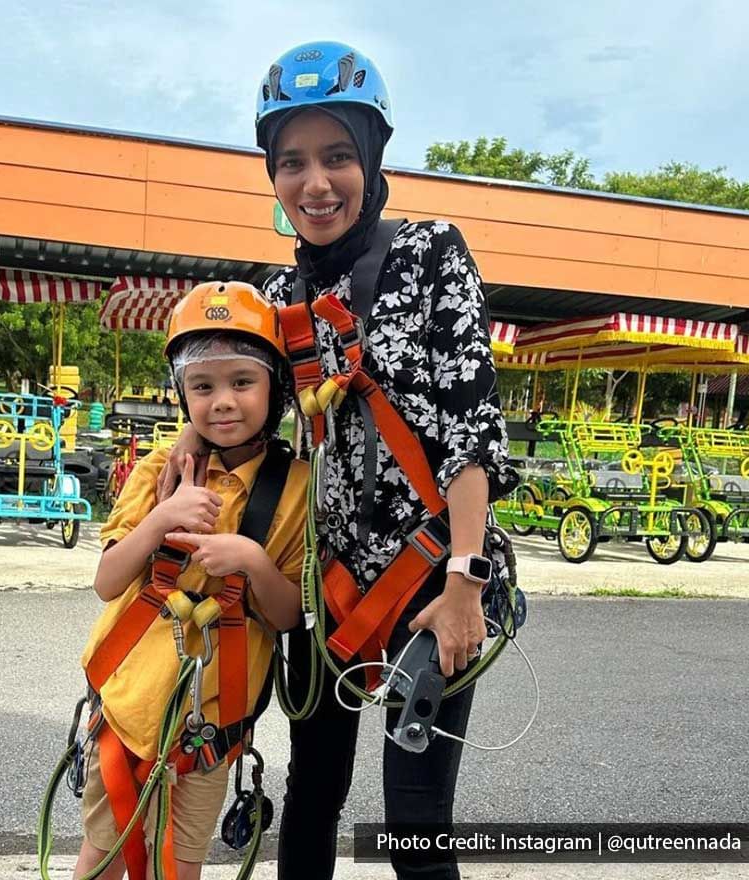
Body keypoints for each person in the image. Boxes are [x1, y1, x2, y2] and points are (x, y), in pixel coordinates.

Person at [158, 41, 519, 880]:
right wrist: (189, 432)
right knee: (312, 798)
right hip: (327, 589)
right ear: (274, 178)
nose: (315, 183)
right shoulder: (275, 299)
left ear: (372, 160)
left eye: (336, 157)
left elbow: (472, 426)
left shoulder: (431, 253)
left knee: (416, 823)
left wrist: (466, 583)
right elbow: (242, 402)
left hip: (433, 581)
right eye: (292, 163)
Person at [74, 281, 308, 880]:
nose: (222, 402)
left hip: (207, 730)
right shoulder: (161, 468)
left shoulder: (298, 489)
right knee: (102, 856)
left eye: (242, 382)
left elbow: (286, 616)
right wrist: (161, 518)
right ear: (182, 395)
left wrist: (252, 560)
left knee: (178, 867)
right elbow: (108, 580)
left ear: (275, 388)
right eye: (202, 387)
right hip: (128, 710)